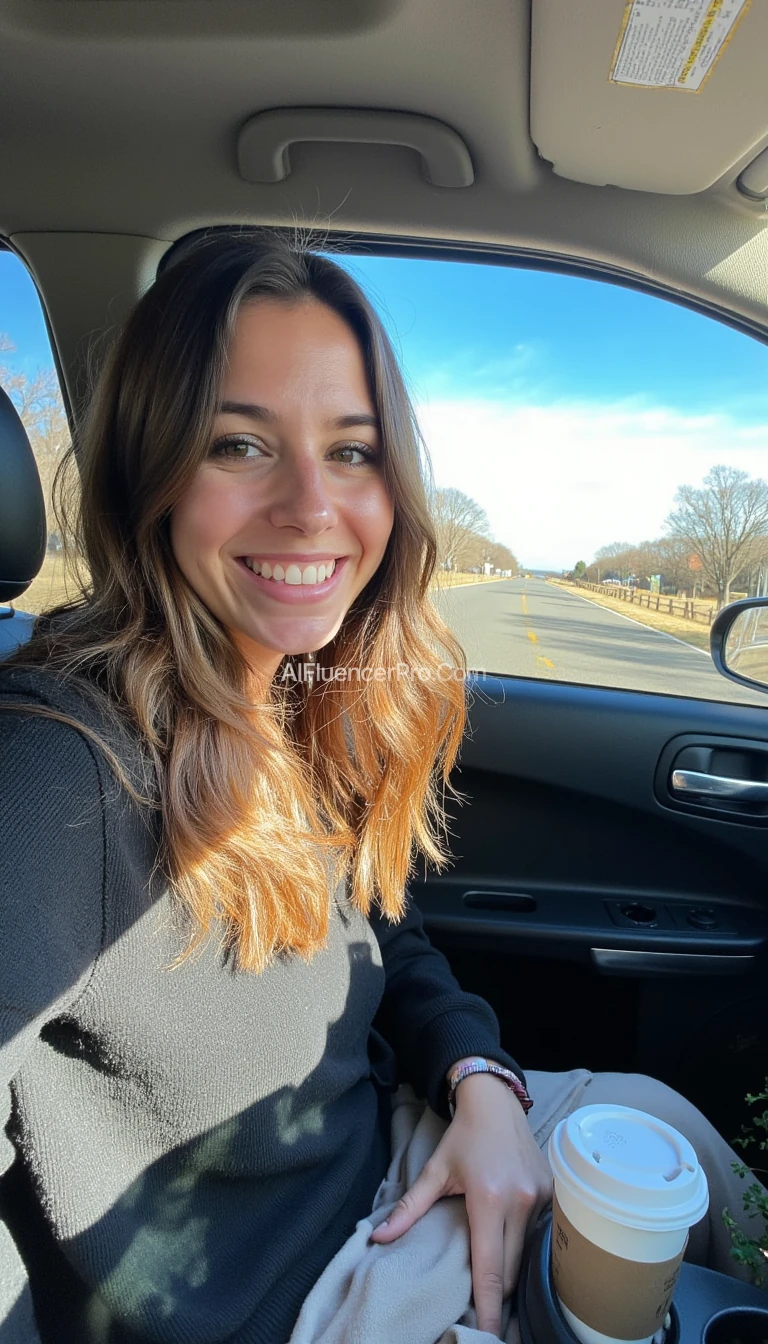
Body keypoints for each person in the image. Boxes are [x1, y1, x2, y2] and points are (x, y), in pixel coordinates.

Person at [0, 232, 761, 1344]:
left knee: (667, 1133)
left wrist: (478, 1081)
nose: (313, 506)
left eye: (351, 452)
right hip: (307, 1305)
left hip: (399, 1153)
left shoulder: (291, 689)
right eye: (238, 444)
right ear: (147, 470)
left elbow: (375, 938)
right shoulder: (57, 765)